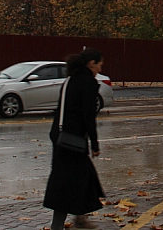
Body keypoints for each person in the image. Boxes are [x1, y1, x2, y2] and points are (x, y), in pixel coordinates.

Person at [43, 47, 105, 229]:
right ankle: (58, 225)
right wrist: (94, 143)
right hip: (73, 140)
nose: (100, 70)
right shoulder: (88, 83)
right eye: (99, 65)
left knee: (81, 178)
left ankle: (80, 218)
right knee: (66, 182)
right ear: (91, 63)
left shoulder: (70, 80)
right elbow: (88, 117)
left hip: (61, 136)